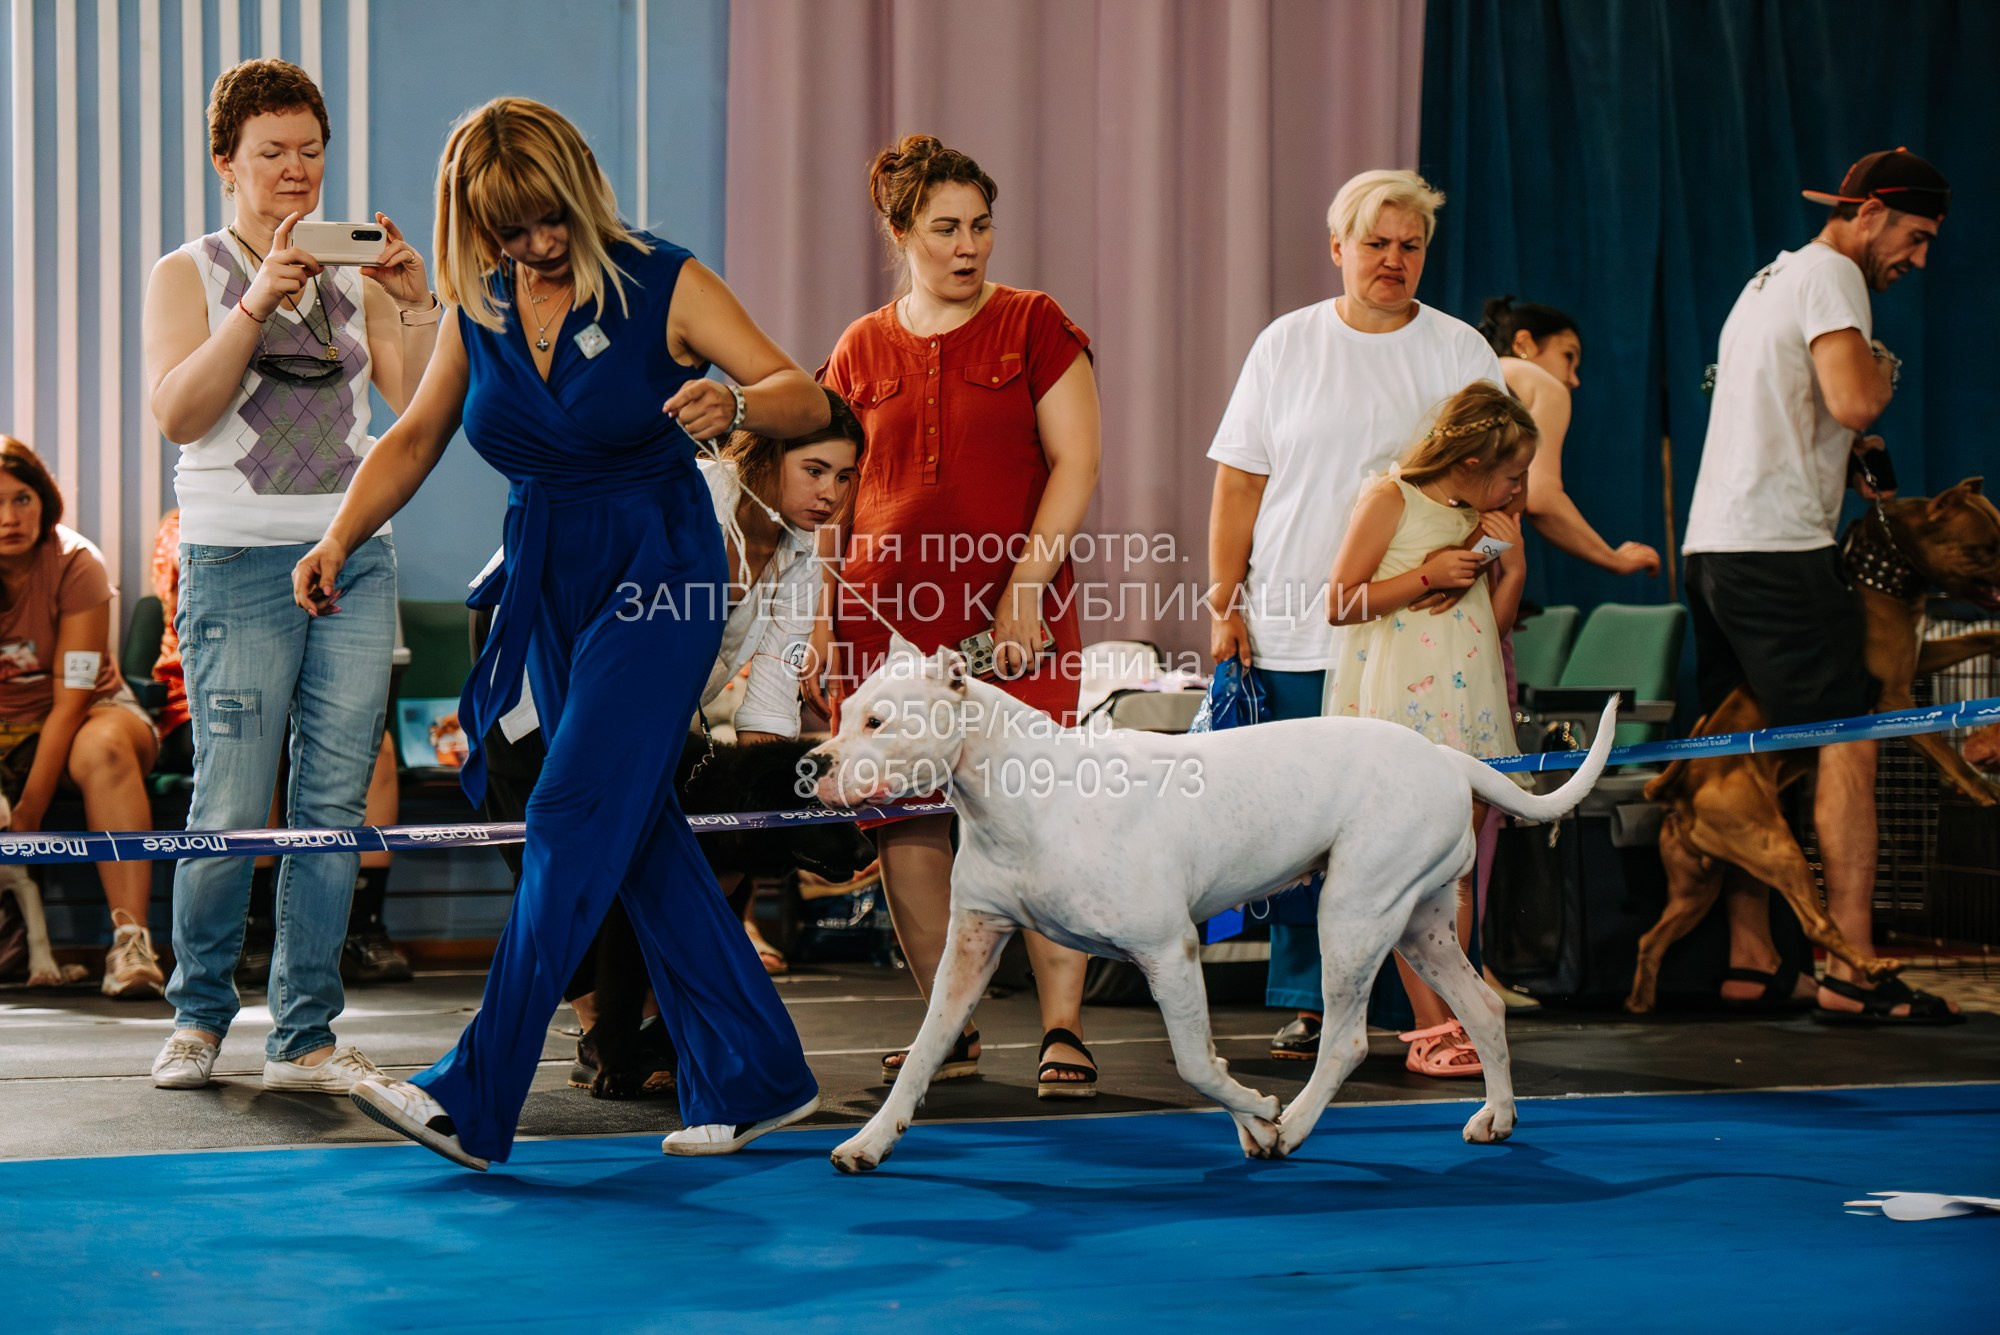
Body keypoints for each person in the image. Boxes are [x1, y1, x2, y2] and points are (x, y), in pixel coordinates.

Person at [294, 96, 828, 1169]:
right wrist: (336, 535)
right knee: (632, 831)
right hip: (547, 582)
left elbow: (799, 392)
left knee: (574, 806)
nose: (533, 245)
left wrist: (735, 406)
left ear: (580, 189)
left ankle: (475, 1093)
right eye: (506, 227)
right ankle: (761, 1073)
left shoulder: (662, 280)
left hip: (658, 572)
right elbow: (413, 439)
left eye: (546, 219)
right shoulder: (480, 302)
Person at [141, 58, 438, 1092]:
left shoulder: (353, 272)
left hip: (352, 548)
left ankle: (304, 1033)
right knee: (227, 801)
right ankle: (197, 1018)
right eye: (271, 153)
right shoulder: (190, 271)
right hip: (232, 556)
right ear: (226, 162)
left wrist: (414, 302)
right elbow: (180, 414)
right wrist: (256, 302)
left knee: (331, 805)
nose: (295, 171)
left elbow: (410, 405)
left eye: (309, 151)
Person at [819, 134, 1104, 1097]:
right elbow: (832, 492)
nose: (968, 244)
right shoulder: (857, 348)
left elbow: (1077, 463)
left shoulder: (1035, 324)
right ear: (900, 231)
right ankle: (953, 1025)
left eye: (980, 225)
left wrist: (1026, 587)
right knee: (907, 828)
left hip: (1012, 623)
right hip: (881, 631)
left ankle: (1063, 1024)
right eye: (945, 227)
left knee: (1040, 821)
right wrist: (823, 617)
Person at [1205, 169, 1502, 1061]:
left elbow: (1502, 482)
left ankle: (1435, 1011)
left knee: (1407, 832)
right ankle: (1317, 1004)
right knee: (1298, 830)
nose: (1393, 261)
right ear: (1338, 249)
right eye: (1376, 243)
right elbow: (1238, 483)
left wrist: (1477, 560)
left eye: (1410, 246)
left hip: (1413, 633)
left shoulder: (1459, 352)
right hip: (1294, 618)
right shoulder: (1285, 345)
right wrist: (1226, 601)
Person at [1681, 148, 1958, 1023]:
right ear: (1870, 213)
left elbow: (1800, 421)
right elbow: (1853, 402)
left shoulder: (1768, 279)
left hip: (1712, 547)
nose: (1919, 258)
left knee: (1747, 756)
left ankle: (1754, 960)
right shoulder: (1836, 275)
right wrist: (1876, 372)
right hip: (1774, 549)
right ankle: (1850, 965)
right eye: (1916, 236)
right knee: (1852, 735)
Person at [1324, 384, 1535, 1074]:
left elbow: (1486, 624)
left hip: (1465, 701)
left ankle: (1457, 1015)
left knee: (1458, 869)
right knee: (1406, 869)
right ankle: (1428, 1023)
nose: (1517, 488)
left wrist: (1511, 566)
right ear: (1471, 460)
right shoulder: (1392, 498)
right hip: (1402, 710)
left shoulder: (1478, 518)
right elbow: (1342, 600)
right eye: (1511, 474)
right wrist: (1423, 574)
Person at [150, 507, 412, 989]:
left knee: (377, 753)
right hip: (198, 698)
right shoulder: (192, 521)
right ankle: (249, 933)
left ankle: (360, 923)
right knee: (250, 766)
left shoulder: (356, 515)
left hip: (311, 656)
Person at [0, 436, 163, 998]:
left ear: (43, 498)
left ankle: (130, 943)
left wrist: (27, 815)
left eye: (21, 499)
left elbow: (71, 700)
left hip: (82, 717)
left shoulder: (76, 562)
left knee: (106, 747)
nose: (8, 518)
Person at [1478, 297, 1660, 577]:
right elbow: (1540, 496)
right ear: (1523, 343)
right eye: (1568, 356)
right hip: (1455, 557)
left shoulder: (1468, 373)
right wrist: (1614, 559)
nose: (1574, 380)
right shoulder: (1542, 384)